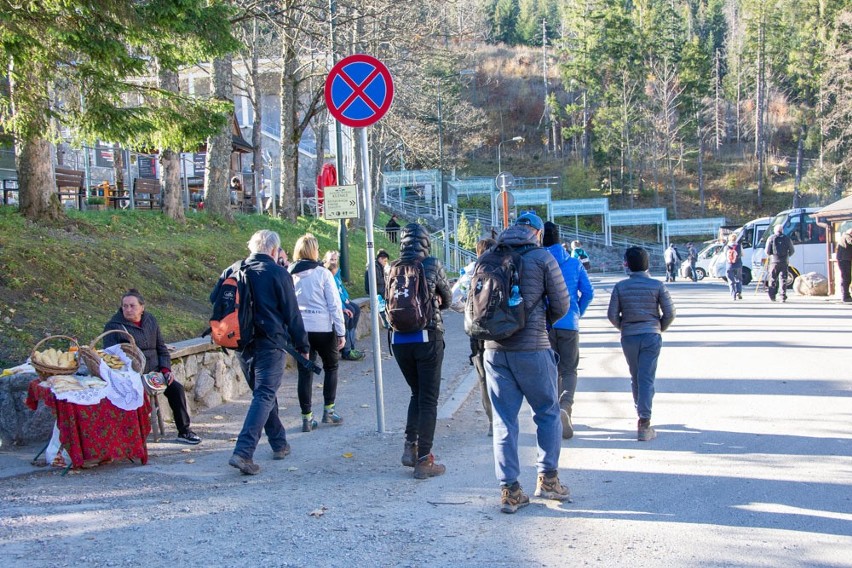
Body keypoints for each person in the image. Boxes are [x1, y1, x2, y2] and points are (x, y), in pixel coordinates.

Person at [483, 212, 571, 514]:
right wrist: (539, 323)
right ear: (537, 233)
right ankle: (548, 479)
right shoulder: (542, 257)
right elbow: (562, 304)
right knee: (547, 412)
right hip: (533, 348)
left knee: (504, 420)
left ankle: (509, 490)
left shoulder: (489, 256)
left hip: (494, 350)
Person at [212, 229, 309, 475]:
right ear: (274, 250)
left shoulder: (233, 270)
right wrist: (302, 346)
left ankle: (279, 443)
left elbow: (216, 300)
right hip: (270, 343)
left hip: (241, 343)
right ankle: (243, 452)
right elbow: (292, 313)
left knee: (262, 394)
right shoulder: (278, 273)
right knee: (265, 395)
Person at [390, 223, 452, 479]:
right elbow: (447, 299)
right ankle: (425, 459)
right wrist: (436, 298)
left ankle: (410, 447)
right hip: (427, 336)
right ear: (426, 242)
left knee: (416, 393)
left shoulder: (392, 267)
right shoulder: (432, 264)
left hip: (399, 340)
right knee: (428, 398)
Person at [103, 289, 201, 445]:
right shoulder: (114, 327)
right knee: (134, 395)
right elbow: (110, 356)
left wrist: (166, 370)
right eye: (125, 306)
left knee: (176, 389)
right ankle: (134, 437)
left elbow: (161, 348)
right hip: (131, 376)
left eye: (132, 306)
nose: (128, 309)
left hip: (155, 372)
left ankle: (184, 431)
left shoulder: (151, 321)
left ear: (142, 307)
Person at [607, 247, 676, 442]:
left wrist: (624, 327)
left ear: (627, 264)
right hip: (651, 335)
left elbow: (612, 315)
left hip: (629, 336)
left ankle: (641, 411)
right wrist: (658, 327)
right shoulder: (657, 285)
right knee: (646, 378)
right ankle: (644, 421)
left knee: (635, 376)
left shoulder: (620, 287)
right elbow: (670, 313)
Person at [289, 234, 346, 432]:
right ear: (314, 251)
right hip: (323, 328)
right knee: (331, 367)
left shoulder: (290, 273)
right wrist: (341, 331)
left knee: (304, 372)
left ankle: (306, 417)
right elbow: (334, 304)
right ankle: (329, 411)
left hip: (301, 330)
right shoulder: (322, 274)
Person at [543, 222, 594, 440]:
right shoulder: (574, 263)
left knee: (550, 370)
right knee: (570, 370)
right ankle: (566, 406)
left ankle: (554, 412)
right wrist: (576, 313)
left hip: (545, 325)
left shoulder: (538, 261)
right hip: (569, 324)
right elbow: (588, 292)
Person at [451, 237, 496, 436]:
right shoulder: (504, 266)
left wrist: (468, 311)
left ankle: (492, 422)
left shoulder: (471, 270)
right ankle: (506, 419)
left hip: (477, 332)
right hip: (499, 331)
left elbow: (453, 299)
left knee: (484, 378)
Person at [323, 250, 365, 361]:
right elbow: (333, 295)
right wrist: (343, 307)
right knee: (348, 315)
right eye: (332, 259)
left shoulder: (336, 273)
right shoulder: (327, 274)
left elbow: (341, 289)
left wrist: (346, 298)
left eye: (335, 259)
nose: (334, 261)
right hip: (334, 306)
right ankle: (345, 350)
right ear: (326, 260)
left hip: (341, 301)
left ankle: (351, 345)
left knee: (355, 309)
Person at [764, 225, 795, 302]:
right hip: (784, 261)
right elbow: (792, 251)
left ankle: (772, 296)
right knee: (783, 279)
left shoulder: (771, 238)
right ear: (782, 230)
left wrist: (771, 255)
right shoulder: (787, 239)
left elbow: (767, 251)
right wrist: (787, 256)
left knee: (772, 279)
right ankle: (782, 296)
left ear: (775, 231)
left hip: (774, 262)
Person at [725, 233, 744, 300]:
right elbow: (743, 254)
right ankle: (739, 292)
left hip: (729, 265)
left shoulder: (727, 247)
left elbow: (725, 256)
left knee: (731, 281)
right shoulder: (739, 246)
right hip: (738, 265)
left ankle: (733, 295)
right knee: (739, 279)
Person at [835, 227, 852, 303]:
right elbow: (851, 242)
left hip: (844, 259)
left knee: (846, 277)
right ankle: (845, 296)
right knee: (846, 278)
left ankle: (846, 295)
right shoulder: (847, 236)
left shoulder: (844, 236)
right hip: (844, 260)